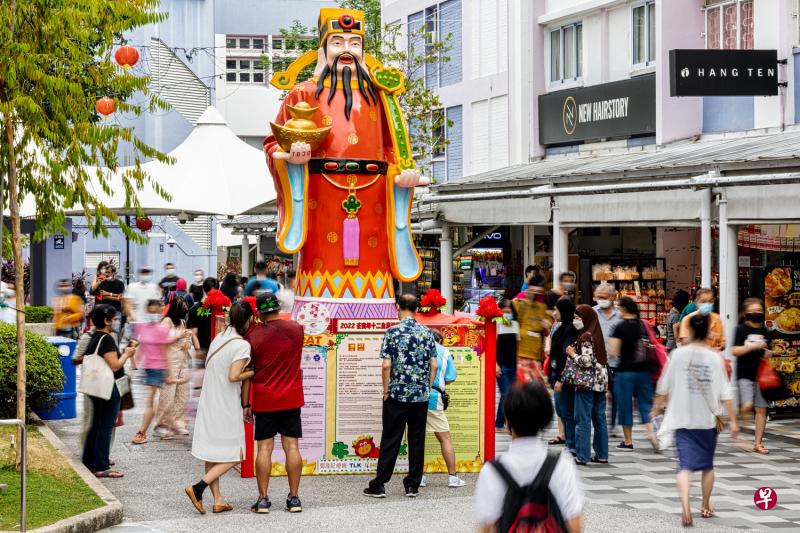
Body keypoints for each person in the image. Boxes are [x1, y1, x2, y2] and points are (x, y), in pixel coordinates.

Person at [651, 313, 738, 527]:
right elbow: (726, 392)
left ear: (688, 330)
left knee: (685, 467)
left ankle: (685, 508)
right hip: (707, 421)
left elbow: (664, 385)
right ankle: (706, 505)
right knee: (707, 466)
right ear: (708, 331)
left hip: (682, 419)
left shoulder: (678, 354)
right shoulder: (714, 357)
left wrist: (656, 407)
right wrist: (734, 422)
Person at [473, 382, 583, 533]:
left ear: (507, 421)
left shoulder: (492, 471)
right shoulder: (563, 465)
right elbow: (575, 526)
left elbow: (486, 528)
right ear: (545, 421)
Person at [364, 294, 437, 498]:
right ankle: (412, 484)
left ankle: (379, 484)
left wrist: (386, 390)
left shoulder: (392, 332)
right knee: (416, 439)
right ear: (416, 309)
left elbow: (386, 365)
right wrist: (426, 387)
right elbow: (434, 364)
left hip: (396, 395)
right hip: (420, 396)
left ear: (398, 307)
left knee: (390, 438)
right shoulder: (427, 333)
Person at [186, 302, 255, 515]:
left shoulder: (219, 338)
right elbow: (234, 376)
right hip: (225, 404)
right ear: (248, 320)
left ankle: (218, 500)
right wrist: (252, 373)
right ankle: (198, 488)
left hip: (209, 401)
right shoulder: (241, 345)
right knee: (236, 454)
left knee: (212, 453)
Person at [244, 291, 305, 514]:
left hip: (265, 398)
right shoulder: (297, 329)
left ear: (259, 313)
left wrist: (246, 404)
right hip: (291, 397)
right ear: (278, 308)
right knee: (292, 447)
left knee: (264, 448)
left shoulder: (253, 337)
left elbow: (249, 369)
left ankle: (263, 499)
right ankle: (294, 498)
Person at [82, 304, 135, 478]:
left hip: (95, 388)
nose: (116, 321)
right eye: (113, 318)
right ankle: (102, 466)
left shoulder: (94, 336)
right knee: (105, 426)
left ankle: (89, 460)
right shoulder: (107, 339)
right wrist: (128, 354)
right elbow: (115, 365)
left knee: (96, 424)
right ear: (106, 320)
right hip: (108, 388)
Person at [608, 297, 657, 451]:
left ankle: (628, 441)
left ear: (623, 309)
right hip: (644, 371)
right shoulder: (644, 325)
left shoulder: (619, 327)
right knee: (645, 404)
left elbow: (614, 352)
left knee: (624, 405)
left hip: (625, 371)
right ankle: (651, 433)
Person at [132, 300, 182, 445]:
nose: (153, 314)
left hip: (158, 368)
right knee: (156, 400)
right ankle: (164, 425)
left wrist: (170, 372)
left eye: (156, 311)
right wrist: (134, 363)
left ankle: (142, 431)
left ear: (161, 312)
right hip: (147, 368)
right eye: (150, 311)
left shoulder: (162, 329)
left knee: (151, 401)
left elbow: (165, 351)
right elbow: (141, 347)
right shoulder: (143, 328)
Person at [420, 330, 465, 489]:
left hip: (416, 398)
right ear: (441, 340)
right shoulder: (445, 352)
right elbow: (450, 378)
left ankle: (419, 477)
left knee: (417, 438)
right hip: (434, 399)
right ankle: (452, 477)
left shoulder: (419, 347)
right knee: (444, 438)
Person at [569, 305, 609, 465]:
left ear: (585, 318)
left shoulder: (585, 336)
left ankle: (582, 455)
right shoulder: (596, 333)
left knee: (582, 419)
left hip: (586, 382)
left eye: (578, 318)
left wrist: (573, 354)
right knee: (600, 419)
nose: (575, 321)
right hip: (601, 382)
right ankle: (602, 454)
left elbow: (586, 361)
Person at [732, 298, 771, 454]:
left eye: (760, 310)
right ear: (746, 312)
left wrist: (768, 352)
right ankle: (738, 429)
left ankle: (758, 443)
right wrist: (753, 346)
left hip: (762, 375)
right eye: (753, 311)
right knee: (747, 405)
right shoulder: (740, 330)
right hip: (744, 373)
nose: (757, 313)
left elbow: (770, 351)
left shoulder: (765, 331)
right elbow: (735, 351)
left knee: (762, 409)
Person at [155, 294, 196, 438]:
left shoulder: (182, 322)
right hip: (169, 360)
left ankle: (179, 422)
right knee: (168, 394)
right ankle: (163, 424)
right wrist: (177, 337)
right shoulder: (166, 321)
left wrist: (187, 339)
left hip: (183, 359)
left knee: (183, 393)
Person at [549, 297, 578, 454]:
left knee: (567, 412)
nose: (554, 313)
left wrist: (561, 379)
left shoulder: (570, 330)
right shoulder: (560, 328)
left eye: (557, 310)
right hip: (557, 377)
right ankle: (569, 442)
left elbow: (567, 357)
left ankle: (571, 445)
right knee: (561, 411)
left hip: (564, 379)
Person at [593, 283, 622, 437]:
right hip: (596, 361)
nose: (601, 300)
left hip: (616, 362)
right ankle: (599, 423)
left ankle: (613, 425)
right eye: (599, 297)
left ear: (612, 297)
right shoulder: (592, 313)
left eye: (604, 297)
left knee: (616, 394)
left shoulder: (620, 315)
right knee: (597, 394)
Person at [511, 286, 551, 379]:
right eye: (532, 291)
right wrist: (524, 294)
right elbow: (513, 303)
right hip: (522, 349)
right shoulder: (521, 303)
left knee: (534, 380)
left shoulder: (542, 307)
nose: (534, 293)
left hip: (535, 350)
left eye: (537, 292)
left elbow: (548, 325)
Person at [495, 299, 519, 432]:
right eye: (504, 310)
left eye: (509, 310)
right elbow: (492, 346)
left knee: (510, 395)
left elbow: (519, 347)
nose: (507, 313)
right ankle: (501, 424)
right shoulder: (497, 324)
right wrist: (495, 364)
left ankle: (501, 423)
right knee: (506, 393)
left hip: (514, 366)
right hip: (501, 366)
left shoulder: (516, 325)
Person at [124, 266, 161, 335]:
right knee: (134, 343)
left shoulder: (154, 287)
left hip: (149, 323)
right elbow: (127, 303)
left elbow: (157, 306)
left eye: (147, 273)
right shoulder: (132, 286)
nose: (145, 275)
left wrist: (156, 320)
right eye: (143, 272)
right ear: (140, 274)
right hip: (135, 323)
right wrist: (131, 315)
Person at [91, 264, 125, 339]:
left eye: (108, 272)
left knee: (115, 334)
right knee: (103, 334)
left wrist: (108, 294)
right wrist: (115, 296)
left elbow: (121, 298)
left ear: (114, 273)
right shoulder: (102, 283)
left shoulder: (120, 284)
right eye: (106, 272)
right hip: (105, 313)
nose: (106, 274)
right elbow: (102, 296)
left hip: (116, 313)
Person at [187, 277, 219, 354]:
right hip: (204, 349)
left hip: (219, 348)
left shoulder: (223, 307)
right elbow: (194, 333)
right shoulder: (194, 309)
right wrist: (199, 351)